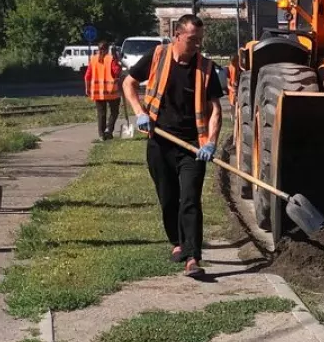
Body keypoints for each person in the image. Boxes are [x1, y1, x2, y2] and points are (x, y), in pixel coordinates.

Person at [121, 14, 223, 278]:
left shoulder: (207, 68)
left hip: (192, 146)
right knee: (168, 199)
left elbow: (215, 110)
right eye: (191, 40)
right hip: (160, 142)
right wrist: (139, 112)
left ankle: (193, 257)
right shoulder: (157, 56)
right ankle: (177, 243)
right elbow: (128, 83)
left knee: (190, 199)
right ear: (177, 36)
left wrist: (211, 142)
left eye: (200, 40)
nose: (197, 45)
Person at [82, 40, 121, 140]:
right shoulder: (111, 58)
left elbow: (87, 75)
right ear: (108, 49)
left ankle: (101, 134)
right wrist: (117, 61)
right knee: (114, 111)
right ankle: (109, 130)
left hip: (97, 91)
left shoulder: (93, 59)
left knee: (101, 113)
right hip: (111, 91)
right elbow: (116, 72)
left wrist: (87, 88)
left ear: (98, 49)